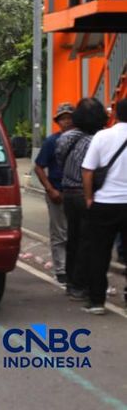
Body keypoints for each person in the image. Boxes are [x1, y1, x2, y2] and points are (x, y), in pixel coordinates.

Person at [55, 98, 108, 302]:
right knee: (88, 241)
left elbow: (60, 160)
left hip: (68, 192)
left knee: (73, 238)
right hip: (86, 193)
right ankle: (80, 284)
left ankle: (71, 282)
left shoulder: (66, 138)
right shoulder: (98, 140)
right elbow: (95, 169)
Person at [81, 98, 127, 315]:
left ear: (115, 114)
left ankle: (97, 301)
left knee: (99, 253)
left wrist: (89, 198)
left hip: (105, 203)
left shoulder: (102, 136)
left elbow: (88, 170)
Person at [34, 103, 74, 286]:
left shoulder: (80, 141)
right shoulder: (52, 141)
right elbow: (39, 167)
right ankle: (61, 270)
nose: (66, 121)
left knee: (75, 233)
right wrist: (50, 190)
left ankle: (73, 269)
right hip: (57, 191)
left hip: (76, 193)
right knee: (60, 233)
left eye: (69, 118)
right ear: (58, 121)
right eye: (63, 118)